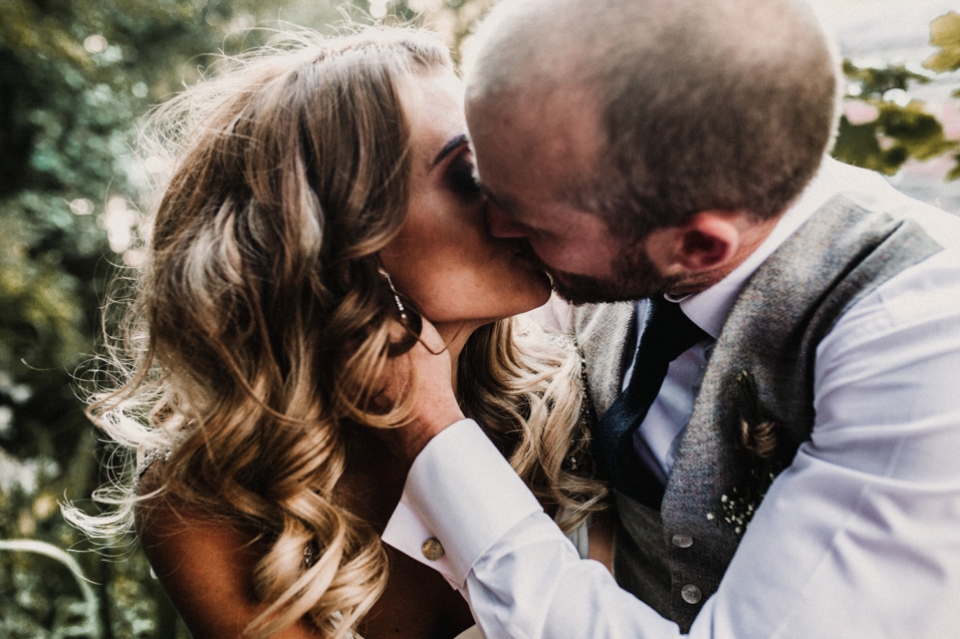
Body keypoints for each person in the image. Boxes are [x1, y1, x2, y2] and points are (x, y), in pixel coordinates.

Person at [381, 0, 960, 637]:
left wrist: (432, 432)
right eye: (479, 180)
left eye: (533, 221)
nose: (497, 227)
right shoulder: (613, 215)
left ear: (697, 248)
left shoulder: (922, 338)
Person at [63, 27, 609, 639]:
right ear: (330, 240)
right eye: (471, 175)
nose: (520, 201)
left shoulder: (576, 401)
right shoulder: (204, 509)